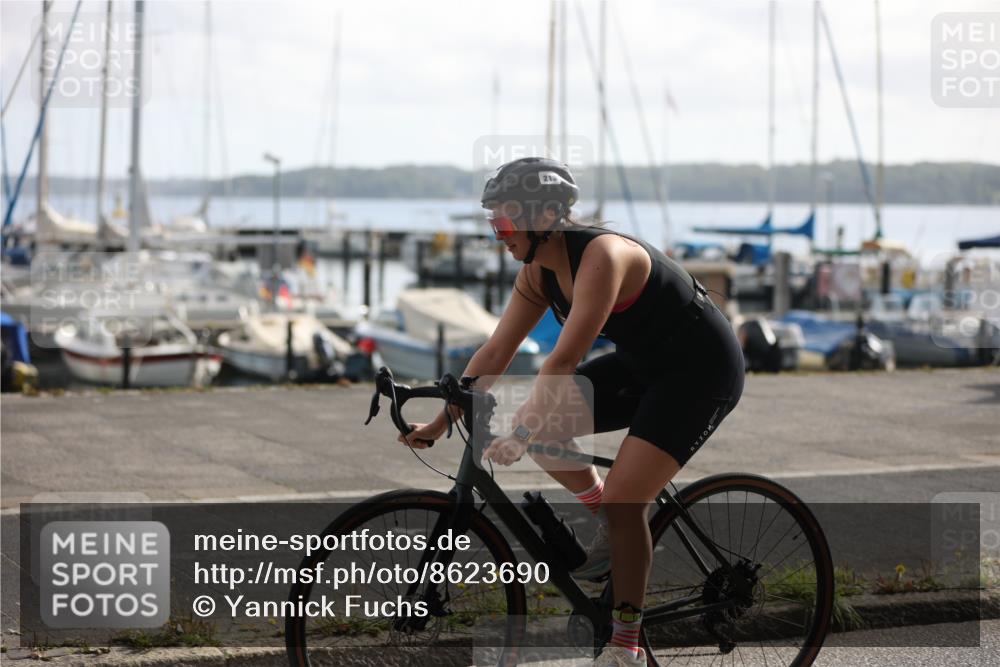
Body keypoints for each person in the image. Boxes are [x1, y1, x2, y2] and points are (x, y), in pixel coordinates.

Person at [401, 157, 745, 667]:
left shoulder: (603, 256)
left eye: (505, 221)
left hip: (701, 372)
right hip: (643, 364)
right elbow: (496, 352)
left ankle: (625, 645)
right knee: (553, 440)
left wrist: (521, 433)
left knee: (624, 499)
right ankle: (614, 532)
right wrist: (440, 422)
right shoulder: (537, 273)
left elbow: (562, 361)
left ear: (545, 216)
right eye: (494, 223)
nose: (499, 234)